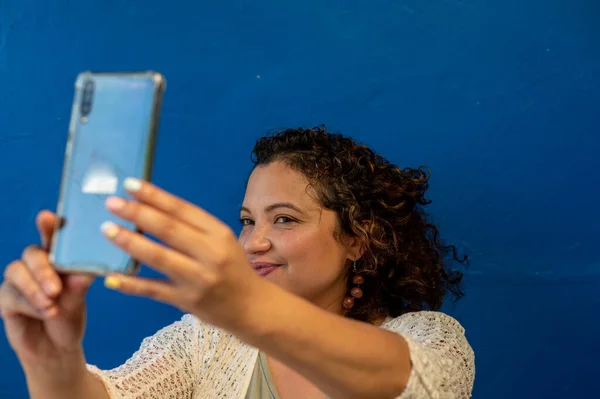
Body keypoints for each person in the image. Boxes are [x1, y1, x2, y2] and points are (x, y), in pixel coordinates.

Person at [0, 126, 475, 399]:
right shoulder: (206, 341)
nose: (253, 243)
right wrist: (51, 361)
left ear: (359, 240)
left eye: (285, 220)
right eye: (248, 220)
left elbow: (415, 383)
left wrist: (245, 308)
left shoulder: (432, 339)